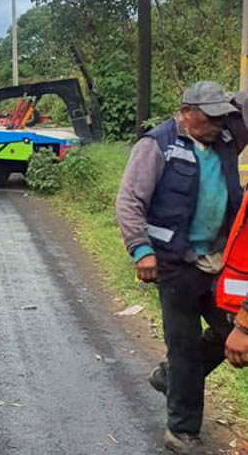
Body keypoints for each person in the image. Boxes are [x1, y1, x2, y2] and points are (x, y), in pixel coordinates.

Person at [115, 81, 247, 455]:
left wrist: (230, 106)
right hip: (174, 264)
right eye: (209, 118)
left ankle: (170, 376)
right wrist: (141, 250)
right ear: (186, 112)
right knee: (186, 346)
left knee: (231, 332)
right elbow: (129, 200)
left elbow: (243, 103)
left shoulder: (225, 137)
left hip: (220, 263)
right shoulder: (156, 144)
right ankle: (182, 431)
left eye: (222, 117)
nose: (217, 125)